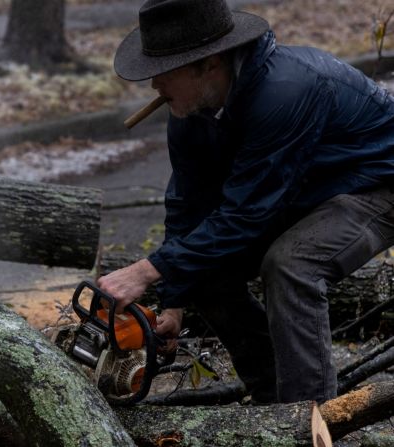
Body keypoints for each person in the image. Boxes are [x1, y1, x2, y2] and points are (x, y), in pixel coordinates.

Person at [97, 0, 394, 404]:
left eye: (163, 73)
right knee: (204, 269)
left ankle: (308, 415)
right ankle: (272, 398)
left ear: (209, 63)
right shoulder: (189, 111)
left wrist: (149, 271)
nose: (154, 86)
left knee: (292, 265)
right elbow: (188, 205)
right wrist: (175, 300)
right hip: (305, 189)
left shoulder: (286, 92)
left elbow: (248, 215)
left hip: (378, 183)